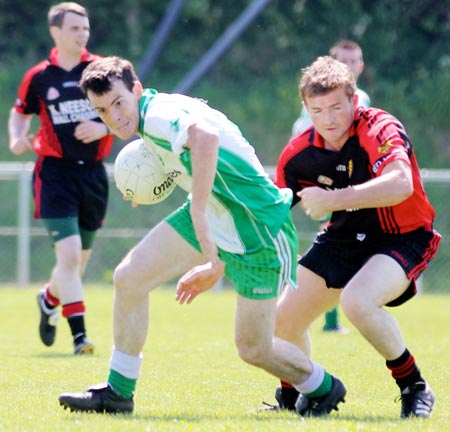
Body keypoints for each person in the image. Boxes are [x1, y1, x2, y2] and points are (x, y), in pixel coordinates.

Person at [57, 56, 347, 416]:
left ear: (136, 90)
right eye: (102, 111)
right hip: (215, 209)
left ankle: (323, 387)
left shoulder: (160, 114)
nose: (114, 117)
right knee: (129, 277)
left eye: (119, 103)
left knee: (253, 349)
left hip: (257, 227)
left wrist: (208, 244)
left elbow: (205, 137)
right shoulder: (151, 116)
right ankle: (118, 391)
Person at [270, 55, 440, 419]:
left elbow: (401, 184)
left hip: (403, 237)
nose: (328, 118)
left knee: (357, 302)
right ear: (306, 108)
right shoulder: (298, 155)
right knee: (282, 321)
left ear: (353, 100)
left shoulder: (379, 127)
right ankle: (300, 393)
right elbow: (269, 212)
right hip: (344, 239)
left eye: (336, 106)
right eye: (317, 109)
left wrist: (333, 199)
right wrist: (217, 255)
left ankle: (414, 387)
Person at [8, 2, 113, 355]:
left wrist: (101, 126)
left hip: (93, 176)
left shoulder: (100, 71)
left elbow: (125, 111)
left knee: (77, 262)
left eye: (85, 28)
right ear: (55, 32)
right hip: (54, 174)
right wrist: (16, 136)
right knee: (68, 258)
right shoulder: (39, 76)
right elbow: (20, 112)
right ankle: (80, 336)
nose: (82, 34)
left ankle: (49, 298)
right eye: (74, 28)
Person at [293, 39, 371, 334]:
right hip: (328, 182)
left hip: (349, 183)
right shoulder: (319, 101)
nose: (348, 66)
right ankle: (326, 315)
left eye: (353, 62)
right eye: (342, 61)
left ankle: (328, 316)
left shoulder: (361, 97)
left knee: (335, 243)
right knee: (334, 243)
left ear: (360, 66)